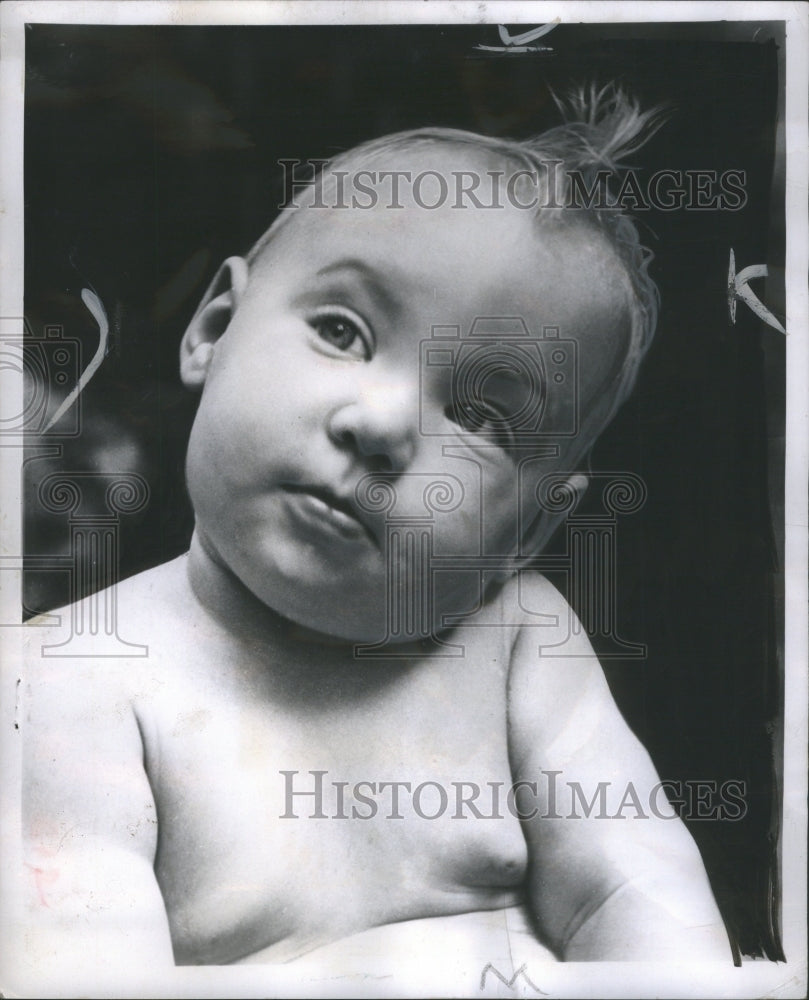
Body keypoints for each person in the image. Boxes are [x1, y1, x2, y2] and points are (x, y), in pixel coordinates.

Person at [20, 88, 732, 982]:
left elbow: (640, 904)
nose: (384, 423)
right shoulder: (68, 681)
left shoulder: (515, 645)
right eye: (342, 330)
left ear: (535, 523)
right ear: (212, 330)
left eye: (479, 415)